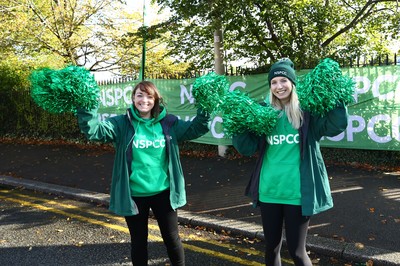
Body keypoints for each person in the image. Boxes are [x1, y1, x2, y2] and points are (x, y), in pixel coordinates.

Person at [77, 81, 210, 266]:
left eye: (149, 96)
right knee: (139, 242)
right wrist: (85, 106)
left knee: (172, 239)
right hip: (135, 195)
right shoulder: (121, 123)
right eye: (140, 95)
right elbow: (94, 131)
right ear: (133, 98)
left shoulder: (169, 123)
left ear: (155, 100)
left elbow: (197, 128)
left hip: (164, 193)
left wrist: (206, 105)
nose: (144, 100)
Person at [232, 58, 348, 266]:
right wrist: (237, 124)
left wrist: (337, 97)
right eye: (274, 82)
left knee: (297, 251)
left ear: (292, 83)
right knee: (271, 247)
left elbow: (336, 125)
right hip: (270, 191)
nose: (279, 86)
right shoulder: (263, 113)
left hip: (297, 193)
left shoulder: (308, 113)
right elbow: (246, 148)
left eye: (283, 80)